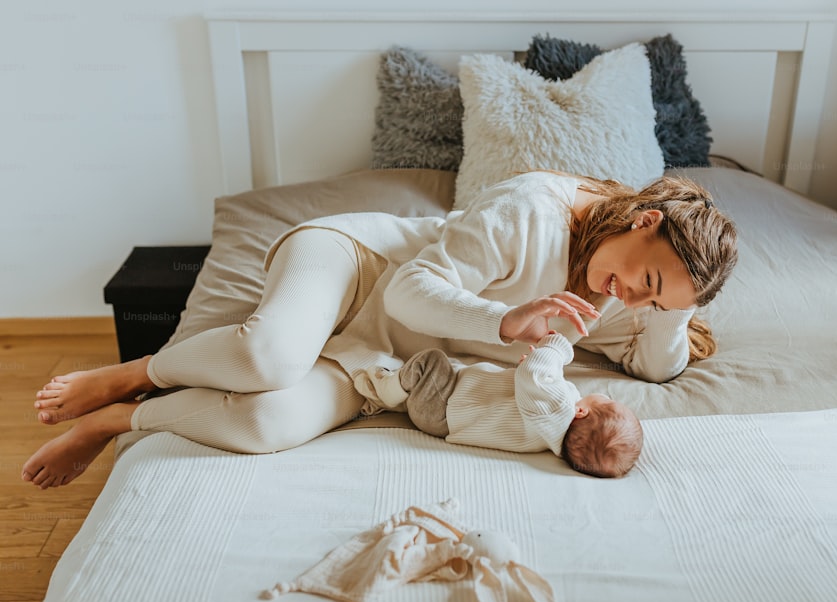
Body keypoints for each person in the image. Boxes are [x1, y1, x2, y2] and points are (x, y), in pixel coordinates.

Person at [23, 170, 737, 489]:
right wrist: (503, 319)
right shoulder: (534, 211)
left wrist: (679, 303)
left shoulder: (622, 295)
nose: (633, 301)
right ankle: (139, 371)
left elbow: (656, 367)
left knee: (267, 422)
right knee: (271, 355)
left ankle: (119, 420)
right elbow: (407, 289)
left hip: (388, 367)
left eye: (655, 303)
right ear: (644, 222)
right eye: (647, 282)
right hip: (360, 269)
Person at [356, 331, 642, 478]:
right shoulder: (550, 435)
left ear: (581, 412)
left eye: (608, 400)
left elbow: (536, 377)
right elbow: (530, 385)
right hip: (442, 418)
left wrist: (555, 347)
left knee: (431, 362)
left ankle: (385, 391)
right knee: (439, 374)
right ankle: (400, 400)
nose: (603, 395)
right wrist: (529, 369)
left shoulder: (559, 409)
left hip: (443, 403)